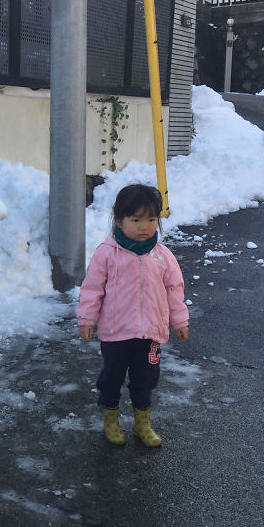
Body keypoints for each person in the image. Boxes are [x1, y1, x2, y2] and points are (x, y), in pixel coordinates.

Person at [77, 184, 189, 447]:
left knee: (146, 379)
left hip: (151, 333)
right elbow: (92, 289)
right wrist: (86, 319)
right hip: (116, 333)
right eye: (136, 219)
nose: (144, 226)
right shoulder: (107, 253)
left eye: (151, 219)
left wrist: (180, 320)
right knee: (112, 377)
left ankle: (142, 423)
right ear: (119, 220)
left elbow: (174, 291)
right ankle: (111, 419)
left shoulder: (163, 256)